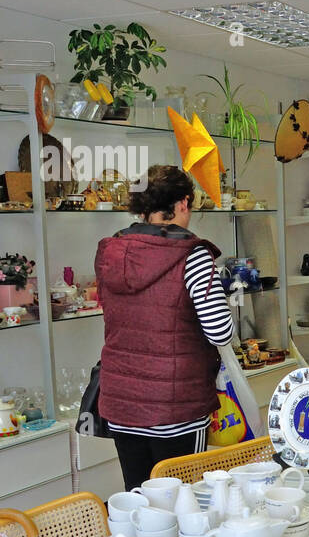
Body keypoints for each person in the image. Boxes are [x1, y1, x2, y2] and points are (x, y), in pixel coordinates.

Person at [95, 165, 234, 489]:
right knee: (184, 501)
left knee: (139, 498)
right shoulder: (193, 255)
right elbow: (219, 331)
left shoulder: (112, 252)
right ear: (184, 203)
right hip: (175, 405)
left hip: (122, 403)